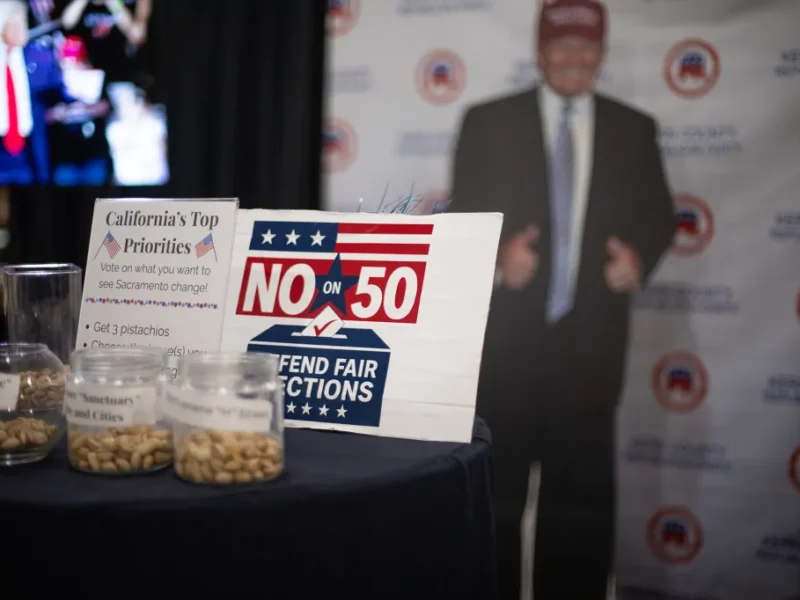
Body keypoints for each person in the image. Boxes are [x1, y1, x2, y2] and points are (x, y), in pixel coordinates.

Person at [449, 0, 675, 598]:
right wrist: (498, 256)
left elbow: (660, 215)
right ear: (540, 50)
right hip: (506, 350)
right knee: (493, 501)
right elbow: (462, 214)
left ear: (602, 52)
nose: (575, 57)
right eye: (561, 44)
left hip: (592, 351)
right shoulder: (487, 122)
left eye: (587, 46)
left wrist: (638, 259)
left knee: (581, 509)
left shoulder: (634, 128)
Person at [0, 0, 66, 185]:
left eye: (24, 22)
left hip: (28, 149)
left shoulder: (35, 55)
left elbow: (54, 85)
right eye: (17, 23)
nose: (23, 29)